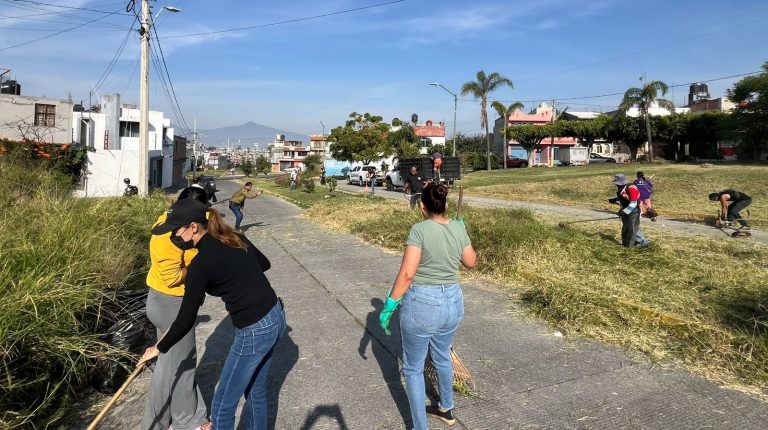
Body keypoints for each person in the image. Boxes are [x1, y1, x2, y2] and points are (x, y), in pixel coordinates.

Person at [138, 199, 286, 430]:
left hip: (254, 330)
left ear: (194, 227)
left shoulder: (200, 264)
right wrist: (236, 277)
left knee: (222, 406)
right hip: (275, 316)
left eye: (176, 230)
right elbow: (264, 264)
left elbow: (185, 320)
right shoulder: (234, 237)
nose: (173, 236)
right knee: (255, 391)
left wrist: (157, 347)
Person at [379, 183, 477, 430]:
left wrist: (390, 304)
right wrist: (463, 235)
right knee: (442, 356)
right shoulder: (456, 227)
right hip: (453, 302)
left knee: (412, 368)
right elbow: (471, 262)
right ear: (444, 205)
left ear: (422, 206)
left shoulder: (419, 230)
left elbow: (407, 274)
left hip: (424, 303)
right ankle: (446, 408)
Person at [143, 187, 210, 430]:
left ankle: (184, 415)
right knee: (171, 367)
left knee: (178, 362)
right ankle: (160, 423)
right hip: (171, 303)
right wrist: (200, 266)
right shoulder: (167, 236)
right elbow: (172, 277)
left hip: (166, 301)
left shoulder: (178, 220)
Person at [608, 174, 649, 248]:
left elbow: (633, 203)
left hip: (633, 211)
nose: (616, 185)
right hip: (627, 210)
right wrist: (616, 199)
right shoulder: (622, 188)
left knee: (631, 229)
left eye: (617, 183)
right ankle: (642, 243)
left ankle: (633, 245)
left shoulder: (631, 188)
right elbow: (626, 197)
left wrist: (624, 212)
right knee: (632, 228)